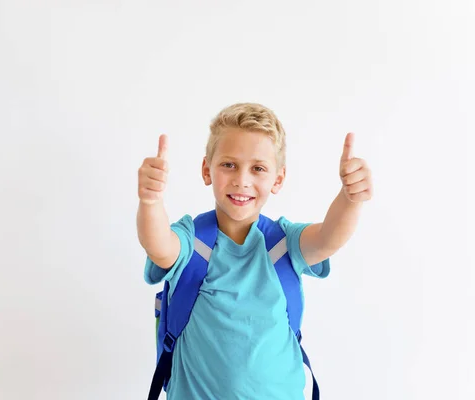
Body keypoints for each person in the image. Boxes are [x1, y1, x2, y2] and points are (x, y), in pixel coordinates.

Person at [137, 102, 373, 399]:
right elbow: (159, 246)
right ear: (206, 169)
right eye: (229, 164)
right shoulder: (191, 240)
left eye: (258, 168)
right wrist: (150, 201)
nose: (242, 180)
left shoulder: (284, 243)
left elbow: (328, 238)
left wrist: (351, 199)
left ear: (278, 179)